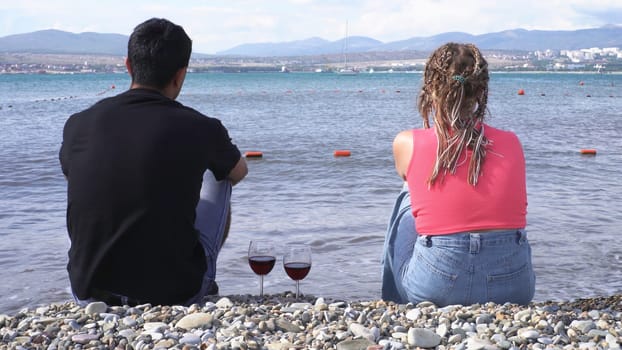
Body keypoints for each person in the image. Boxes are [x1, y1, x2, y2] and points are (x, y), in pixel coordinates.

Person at [59, 18, 248, 306]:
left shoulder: (78, 124)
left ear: (128, 66)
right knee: (220, 174)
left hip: (87, 292)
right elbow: (239, 171)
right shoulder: (200, 126)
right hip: (175, 292)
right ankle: (197, 274)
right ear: (180, 75)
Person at [381, 42, 535, 306]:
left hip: (437, 285)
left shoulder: (407, 141)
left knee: (407, 195)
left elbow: (410, 182)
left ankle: (393, 303)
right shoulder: (511, 141)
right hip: (514, 287)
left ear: (430, 87)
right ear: (480, 91)